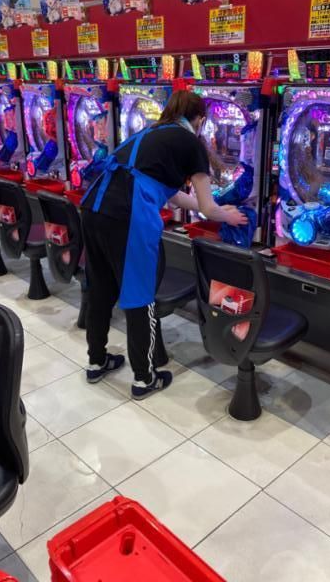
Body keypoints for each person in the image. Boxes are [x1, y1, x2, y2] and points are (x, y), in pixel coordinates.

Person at [80, 91, 248, 400]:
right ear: (200, 120)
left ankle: (96, 361)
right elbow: (208, 208)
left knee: (100, 289)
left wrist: (212, 209)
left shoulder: (151, 132)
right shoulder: (191, 142)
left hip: (94, 206)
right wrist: (229, 216)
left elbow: (171, 193)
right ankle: (144, 378)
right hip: (128, 214)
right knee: (140, 295)